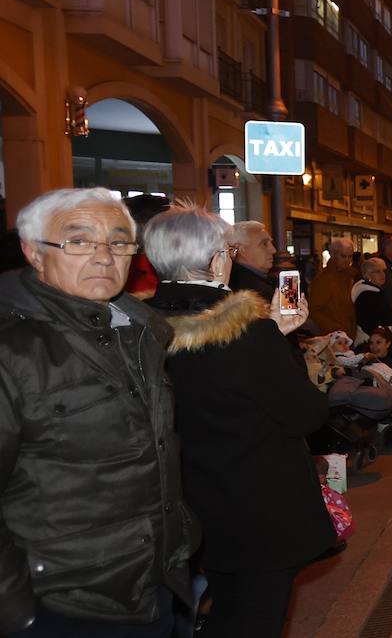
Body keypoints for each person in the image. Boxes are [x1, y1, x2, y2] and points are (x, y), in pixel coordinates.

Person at [0, 188, 196, 635]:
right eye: (79, 241)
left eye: (118, 242)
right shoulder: (12, 346)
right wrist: (18, 615)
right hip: (62, 599)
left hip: (151, 579)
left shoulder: (139, 330)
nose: (104, 257)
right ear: (33, 253)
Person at [142, 205, 334, 637]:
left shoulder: (140, 328)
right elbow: (306, 413)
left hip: (187, 503)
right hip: (257, 511)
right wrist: (280, 345)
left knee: (223, 611)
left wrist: (274, 336)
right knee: (254, 618)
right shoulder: (248, 332)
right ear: (216, 260)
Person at [309, 237, 357, 337]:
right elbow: (314, 310)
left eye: (350, 256)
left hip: (347, 333)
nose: (347, 260)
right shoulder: (323, 279)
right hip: (334, 336)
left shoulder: (351, 275)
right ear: (334, 255)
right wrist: (336, 330)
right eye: (343, 256)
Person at [224, 220, 276, 302]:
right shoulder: (255, 293)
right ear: (240, 249)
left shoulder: (231, 280)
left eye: (271, 243)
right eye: (264, 244)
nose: (273, 250)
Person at [352, 257, 392, 345]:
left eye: (383, 271)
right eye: (377, 272)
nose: (383, 274)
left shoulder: (373, 291)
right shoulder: (368, 294)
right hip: (372, 341)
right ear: (367, 275)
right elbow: (368, 322)